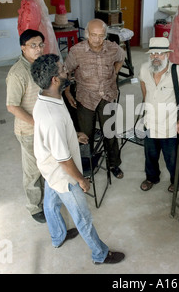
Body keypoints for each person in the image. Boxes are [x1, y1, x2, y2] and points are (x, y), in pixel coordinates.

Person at [31, 53, 125, 264]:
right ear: (55, 80)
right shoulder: (52, 116)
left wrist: (73, 135)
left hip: (47, 167)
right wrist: (81, 180)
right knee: (83, 218)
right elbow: (64, 160)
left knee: (51, 204)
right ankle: (100, 254)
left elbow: (53, 137)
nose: (67, 70)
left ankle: (58, 236)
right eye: (63, 69)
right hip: (63, 174)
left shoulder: (47, 96)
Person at [64, 19, 125, 179]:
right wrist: (68, 91)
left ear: (105, 35)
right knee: (85, 135)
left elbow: (121, 57)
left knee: (110, 133)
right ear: (87, 34)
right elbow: (65, 71)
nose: (97, 39)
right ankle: (86, 167)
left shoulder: (112, 48)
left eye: (100, 35)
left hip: (107, 95)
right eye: (93, 35)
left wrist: (115, 73)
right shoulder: (77, 51)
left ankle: (114, 164)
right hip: (86, 98)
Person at [139, 37, 179, 192]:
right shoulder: (144, 68)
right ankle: (152, 178)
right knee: (150, 155)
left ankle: (177, 180)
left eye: (160, 53)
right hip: (150, 122)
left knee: (172, 157)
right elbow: (143, 85)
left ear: (167, 55)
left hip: (170, 124)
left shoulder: (178, 71)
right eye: (153, 54)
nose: (156, 57)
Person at [6, 29, 46, 223]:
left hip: (45, 126)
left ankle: (48, 200)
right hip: (29, 130)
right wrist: (36, 123)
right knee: (33, 171)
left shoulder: (40, 65)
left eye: (40, 45)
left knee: (46, 165)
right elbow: (12, 106)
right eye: (33, 46)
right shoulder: (17, 73)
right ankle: (35, 207)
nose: (38, 49)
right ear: (23, 48)